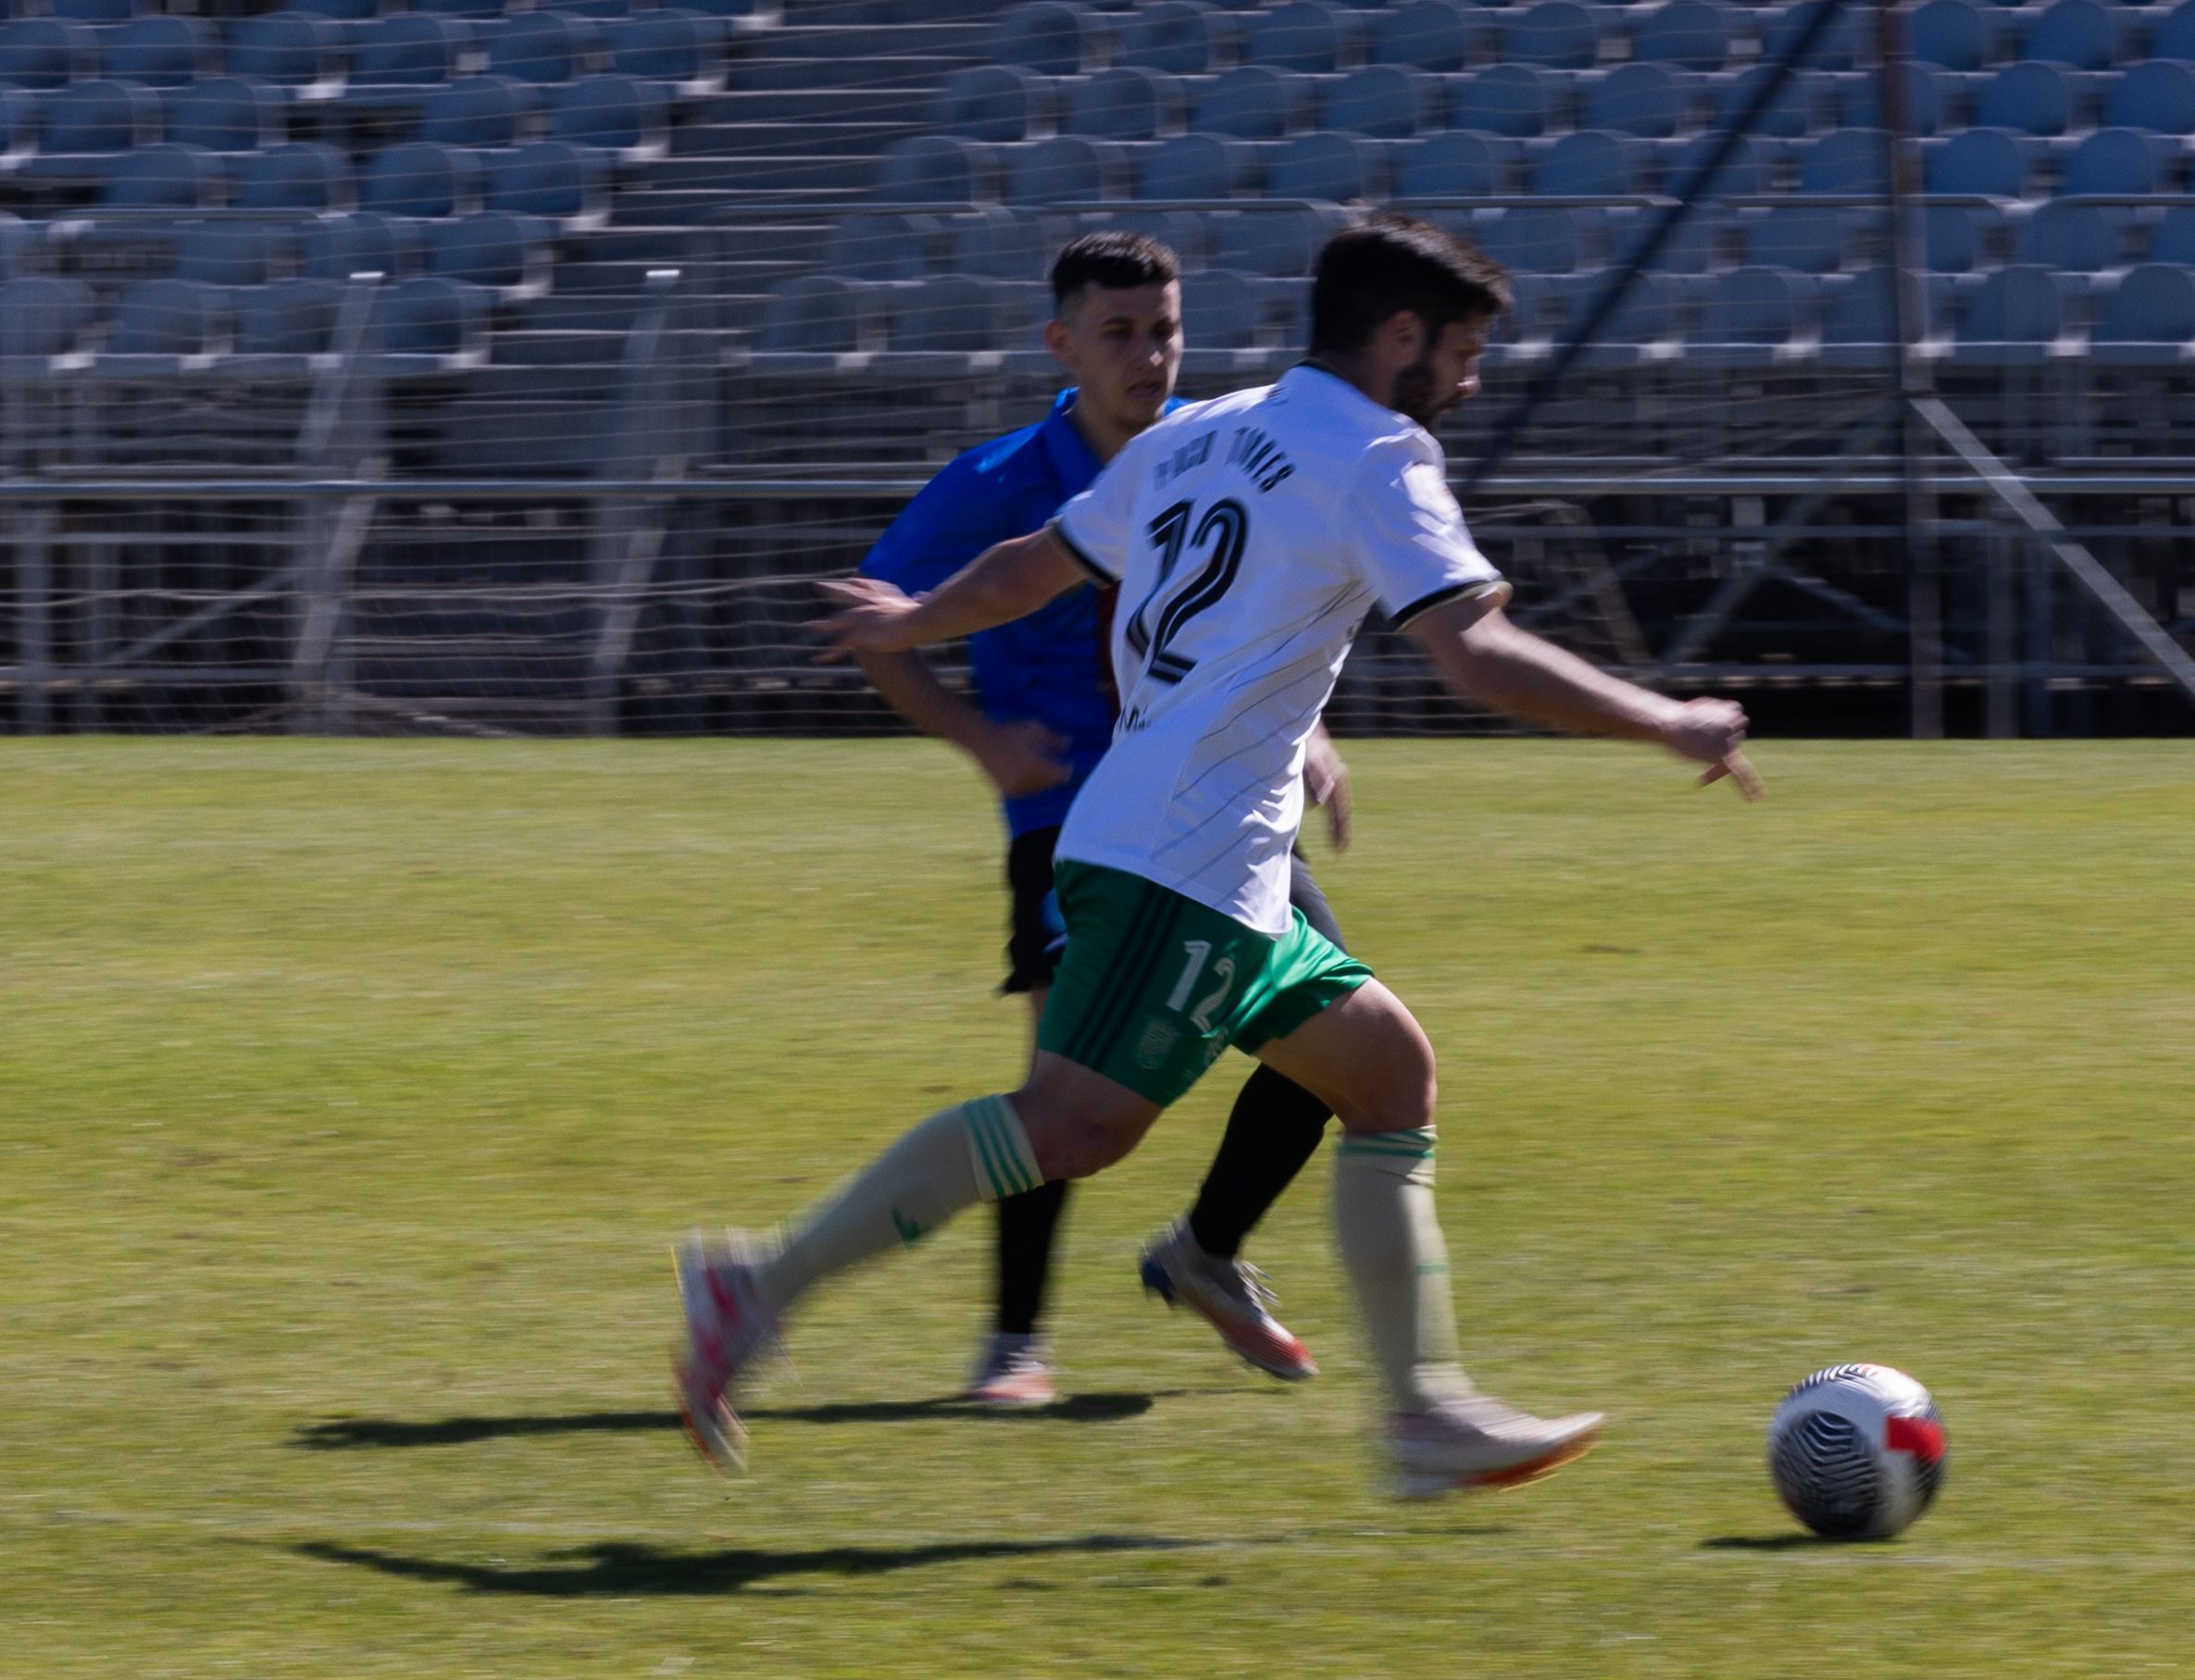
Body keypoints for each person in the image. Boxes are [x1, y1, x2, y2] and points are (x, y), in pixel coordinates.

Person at [674, 216, 1759, 1499]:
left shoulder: (1200, 431)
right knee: (1069, 1126)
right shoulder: (1375, 455)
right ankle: (759, 1283)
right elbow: (1476, 655)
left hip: (1196, 847)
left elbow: (1036, 564)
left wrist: (919, 615)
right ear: (1398, 336)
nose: (1467, 382)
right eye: (1459, 352)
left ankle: (1420, 1415)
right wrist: (1663, 718)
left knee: (1386, 1073)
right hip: (1179, 858)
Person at [846, 230, 1347, 1409]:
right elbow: (880, 618)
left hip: (1223, 816)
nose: (1149, 355)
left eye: (1164, 330)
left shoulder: (1220, 455)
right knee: (1056, 1102)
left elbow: (1258, 623)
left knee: (1342, 1049)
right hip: (1074, 828)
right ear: (1061, 344)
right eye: (1119, 333)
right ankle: (1012, 1346)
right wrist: (980, 742)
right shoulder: (998, 484)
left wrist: (1309, 734)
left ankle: (1206, 1251)